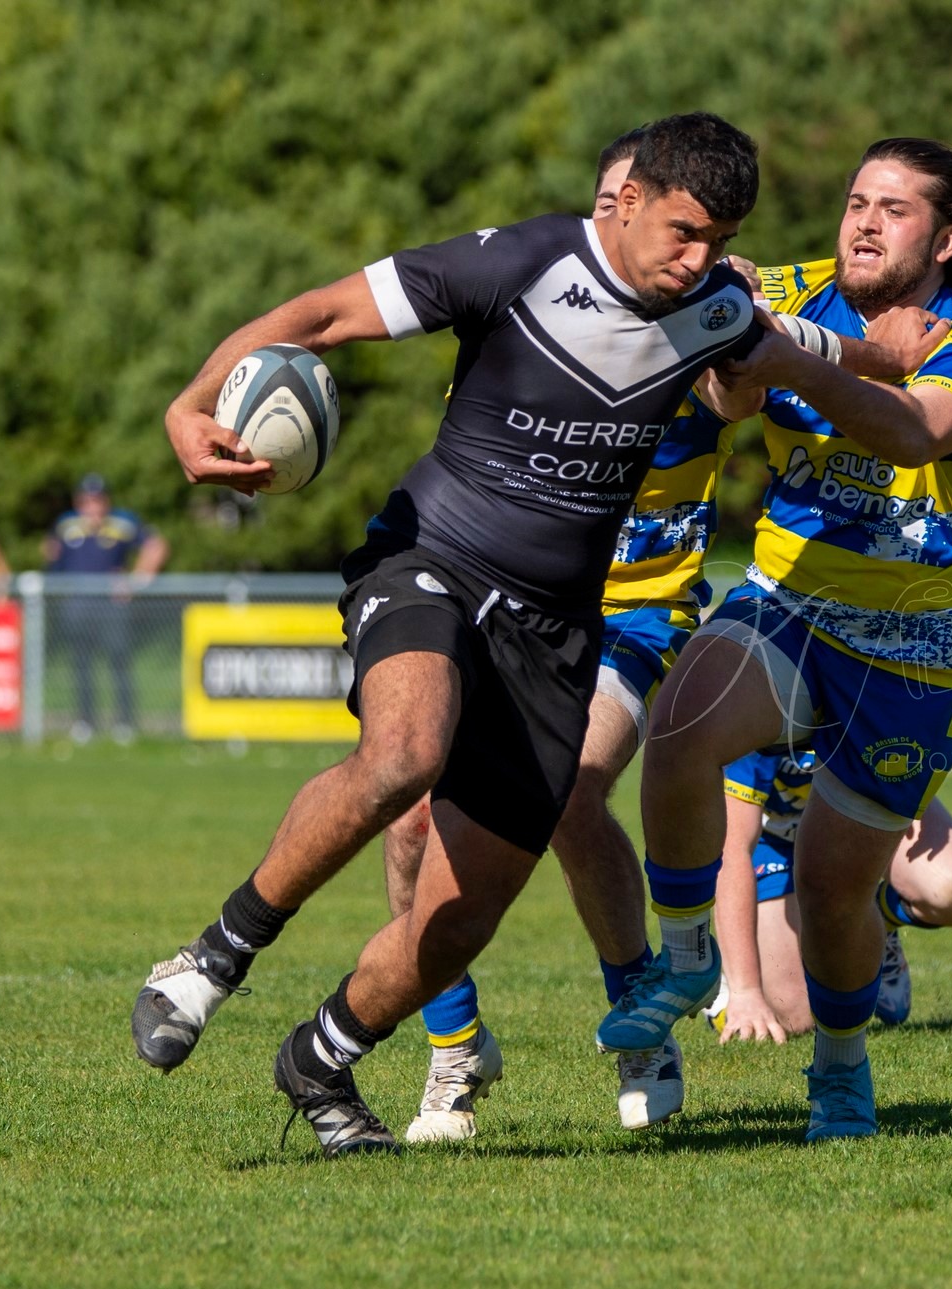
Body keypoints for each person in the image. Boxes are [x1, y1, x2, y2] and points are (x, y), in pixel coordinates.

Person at [128, 111, 773, 1157]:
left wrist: (771, 349)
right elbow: (325, 316)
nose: (695, 256)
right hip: (430, 558)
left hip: (558, 632)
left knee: (461, 918)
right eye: (683, 231)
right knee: (404, 758)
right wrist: (189, 404)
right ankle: (209, 961)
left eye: (717, 237)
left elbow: (773, 375)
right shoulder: (521, 260)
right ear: (629, 198)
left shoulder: (717, 306)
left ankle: (321, 1060)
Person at [380, 134, 952, 1140]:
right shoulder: (526, 324)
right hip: (506, 602)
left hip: (637, 614)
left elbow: (760, 357)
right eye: (600, 205)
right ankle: (455, 1048)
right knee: (410, 817)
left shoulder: (704, 321)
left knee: (565, 790)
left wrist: (855, 337)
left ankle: (641, 1013)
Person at [616, 137, 952, 1142]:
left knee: (836, 891)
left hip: (924, 646)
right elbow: (731, 310)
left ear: (946, 237)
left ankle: (841, 1069)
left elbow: (912, 430)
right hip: (793, 603)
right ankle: (683, 957)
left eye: (894, 208)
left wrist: (790, 353)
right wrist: (738, 328)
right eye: (854, 202)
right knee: (675, 726)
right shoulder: (800, 287)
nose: (865, 222)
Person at [707, 748, 952, 1041]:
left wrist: (907, 788)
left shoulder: (866, 702)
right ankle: (725, 976)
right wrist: (745, 990)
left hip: (852, 819)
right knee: (795, 1016)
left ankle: (872, 915)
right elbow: (732, 851)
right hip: (772, 841)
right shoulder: (761, 715)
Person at [43, 474, 167, 744]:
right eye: (88, 500)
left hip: (111, 605)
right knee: (81, 665)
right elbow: (51, 554)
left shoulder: (123, 522)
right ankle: (85, 722)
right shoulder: (67, 524)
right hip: (78, 604)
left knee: (119, 662)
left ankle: (124, 723)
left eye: (98, 499)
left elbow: (155, 546)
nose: (93, 506)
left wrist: (136, 580)